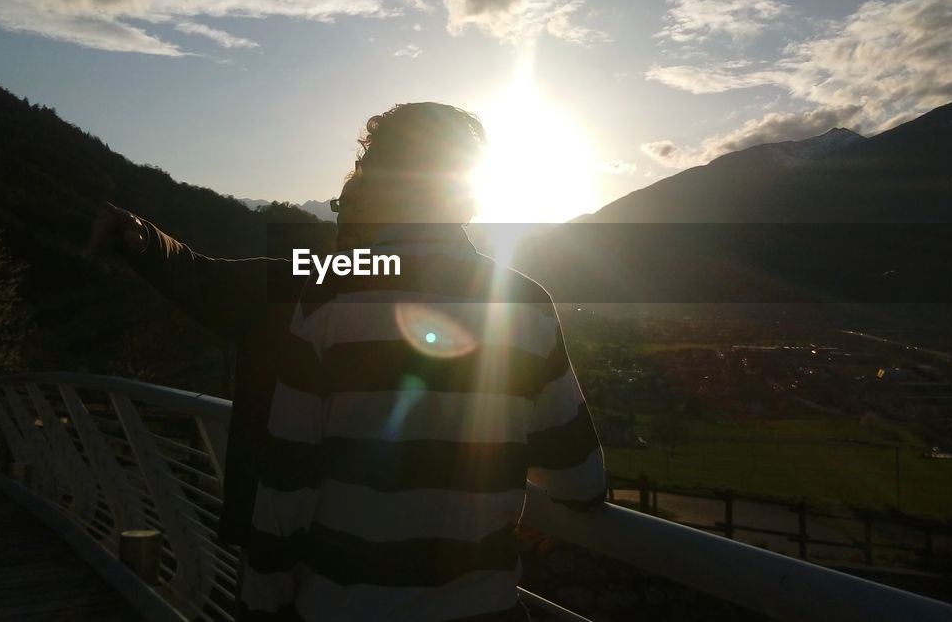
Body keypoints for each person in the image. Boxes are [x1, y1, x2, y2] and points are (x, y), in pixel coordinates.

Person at [89, 102, 607, 621]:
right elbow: (579, 481)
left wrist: (262, 604)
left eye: (353, 196)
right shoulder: (526, 303)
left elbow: (286, 488)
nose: (345, 214)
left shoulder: (325, 296)